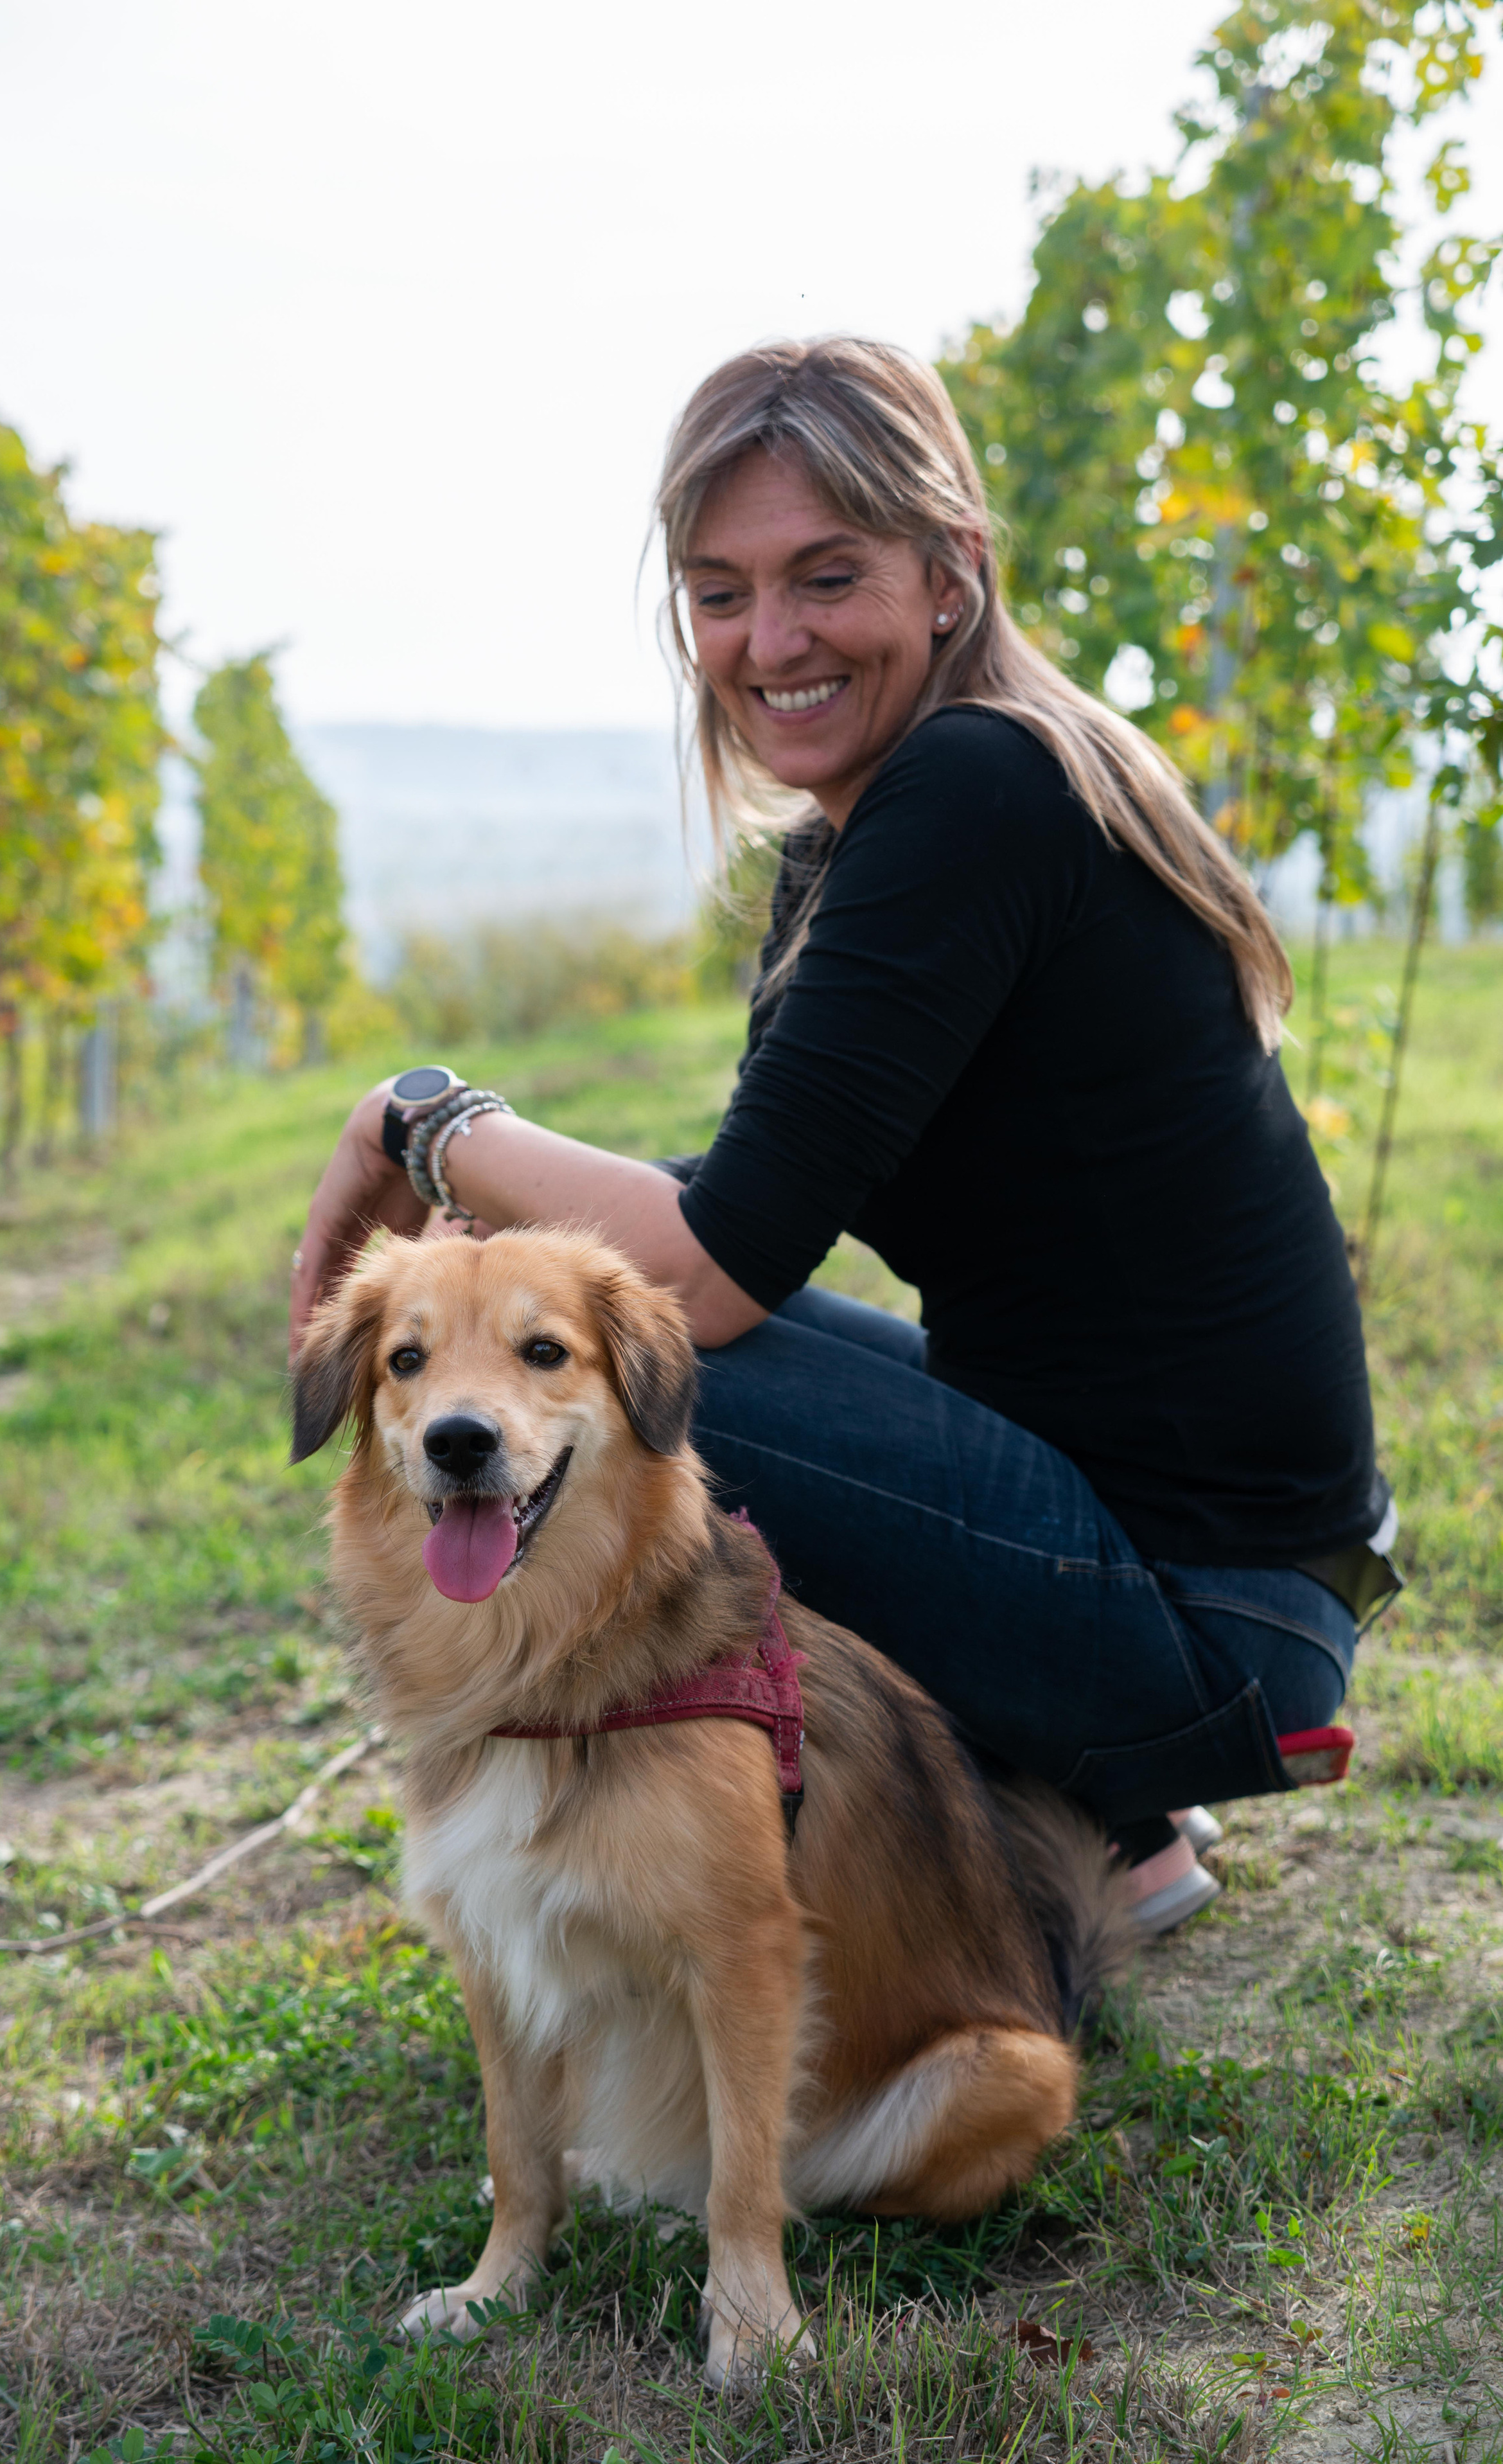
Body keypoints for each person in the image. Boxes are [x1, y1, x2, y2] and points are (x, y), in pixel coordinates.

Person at [290, 337, 1398, 1934]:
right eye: (719, 590)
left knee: (648, 1350)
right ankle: (1108, 1828)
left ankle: (1039, 1806)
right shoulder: (895, 809)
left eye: (825, 577)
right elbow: (754, 1198)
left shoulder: (970, 787)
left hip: (1205, 1615)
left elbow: (714, 1272)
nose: (767, 640)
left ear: (948, 569)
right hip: (1191, 1569)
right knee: (618, 1313)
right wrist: (494, 1218)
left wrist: (420, 1122)